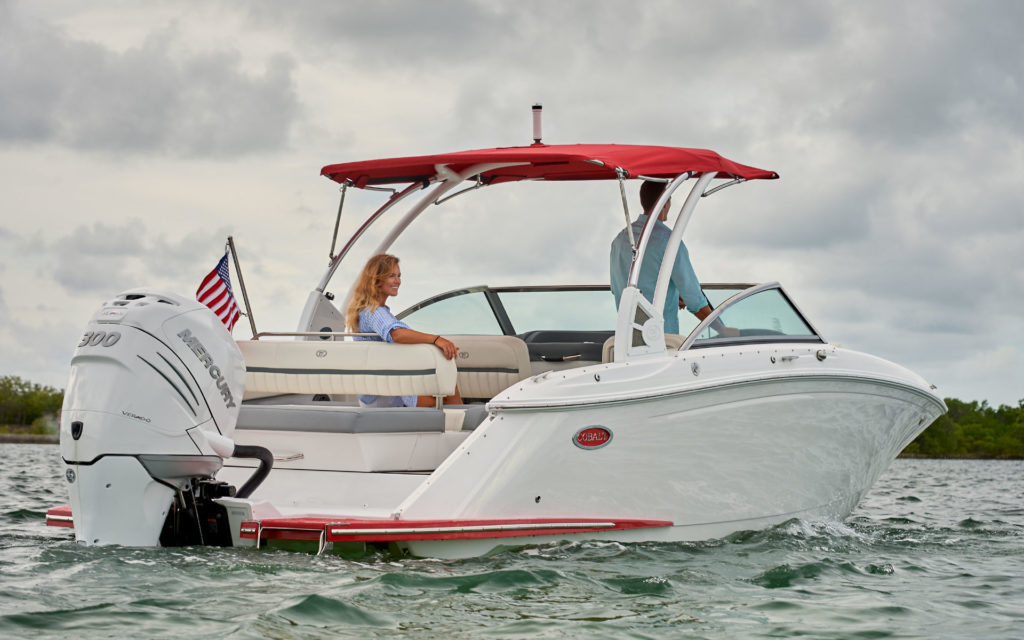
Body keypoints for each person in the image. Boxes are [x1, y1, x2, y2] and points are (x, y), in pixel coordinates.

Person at [609, 180, 737, 336]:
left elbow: (619, 290)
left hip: (626, 338)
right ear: (665, 202)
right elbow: (695, 301)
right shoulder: (668, 241)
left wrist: (671, 295)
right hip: (659, 340)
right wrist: (722, 330)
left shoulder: (618, 241)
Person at [345, 254, 462, 408]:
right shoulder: (374, 312)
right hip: (386, 394)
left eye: (399, 276)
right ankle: (464, 429)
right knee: (448, 389)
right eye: (391, 276)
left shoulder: (368, 310)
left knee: (445, 385)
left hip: (379, 388)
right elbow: (397, 334)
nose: (398, 281)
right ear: (376, 279)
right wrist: (436, 339)